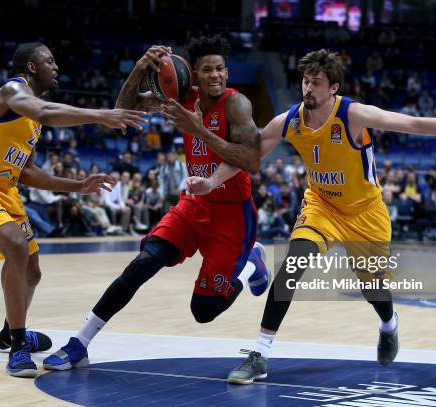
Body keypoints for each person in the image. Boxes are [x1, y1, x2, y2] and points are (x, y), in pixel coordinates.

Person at [186, 49, 436, 384]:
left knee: (374, 290)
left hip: (365, 213)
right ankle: (261, 354)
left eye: (317, 83)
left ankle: (389, 324)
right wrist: (210, 181)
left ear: (333, 88)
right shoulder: (289, 120)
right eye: (305, 81)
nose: (308, 88)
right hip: (321, 207)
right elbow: (247, 154)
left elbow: (413, 124)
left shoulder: (353, 115)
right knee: (292, 266)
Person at [43, 36, 270, 371]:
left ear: (227, 71)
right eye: (207, 69)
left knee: (203, 311)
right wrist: (139, 70)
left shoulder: (237, 105)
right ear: (194, 73)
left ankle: (252, 263)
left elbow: (251, 160)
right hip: (193, 206)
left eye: (220, 69)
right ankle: (80, 343)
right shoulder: (180, 97)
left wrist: (199, 132)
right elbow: (124, 112)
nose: (215, 75)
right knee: (143, 263)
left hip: (232, 216)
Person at [0, 42, 146, 378]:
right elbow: (46, 111)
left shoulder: (31, 123)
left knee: (32, 272)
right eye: (49, 61)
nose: (56, 66)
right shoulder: (11, 92)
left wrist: (77, 186)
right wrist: (100, 115)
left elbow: (27, 172)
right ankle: (19, 345)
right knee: (16, 246)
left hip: (4, 191)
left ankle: (9, 331)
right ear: (32, 67)